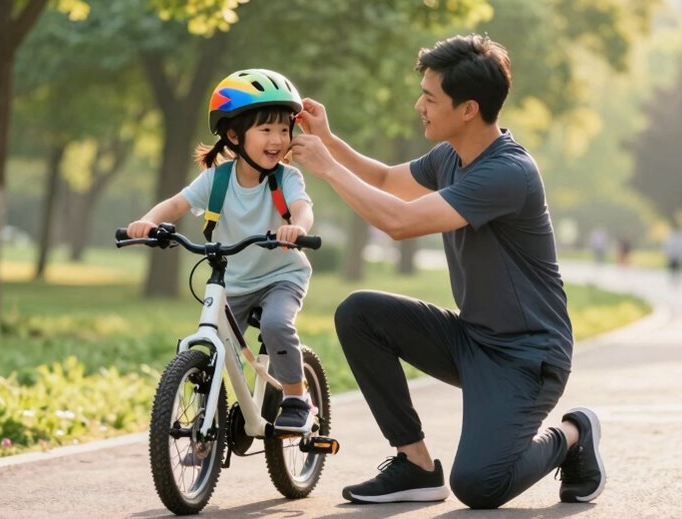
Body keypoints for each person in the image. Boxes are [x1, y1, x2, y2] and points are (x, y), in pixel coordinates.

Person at [291, 34, 603, 509]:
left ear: (468, 109)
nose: (419, 105)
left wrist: (327, 168)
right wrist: (330, 142)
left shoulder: (507, 173)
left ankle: (574, 434)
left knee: (480, 485)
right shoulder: (452, 156)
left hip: (527, 357)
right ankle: (414, 464)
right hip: (472, 339)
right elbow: (385, 180)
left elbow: (398, 222)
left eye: (430, 97)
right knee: (360, 313)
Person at [126, 68, 317, 433]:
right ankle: (208, 419)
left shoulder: (287, 179)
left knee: (277, 324)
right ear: (234, 135)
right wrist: (147, 223)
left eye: (283, 129)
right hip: (235, 281)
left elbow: (302, 209)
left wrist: (297, 228)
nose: (278, 139)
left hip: (281, 276)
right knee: (217, 344)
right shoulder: (216, 180)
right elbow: (175, 205)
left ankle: (296, 398)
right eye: (266, 130)